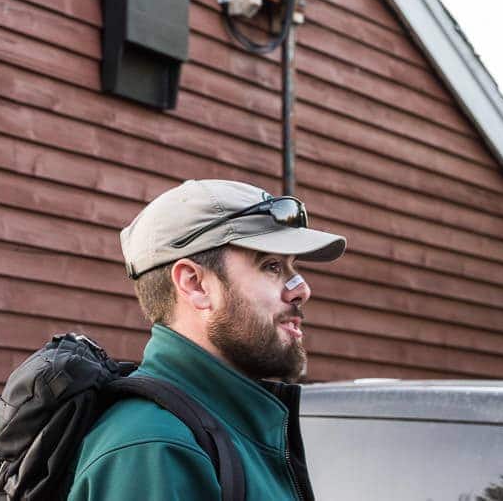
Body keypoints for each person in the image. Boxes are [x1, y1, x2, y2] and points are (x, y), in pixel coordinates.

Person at [66, 178, 347, 501]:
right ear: (195, 284)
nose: (301, 289)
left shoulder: (231, 428)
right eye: (271, 266)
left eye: (290, 267)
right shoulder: (156, 450)